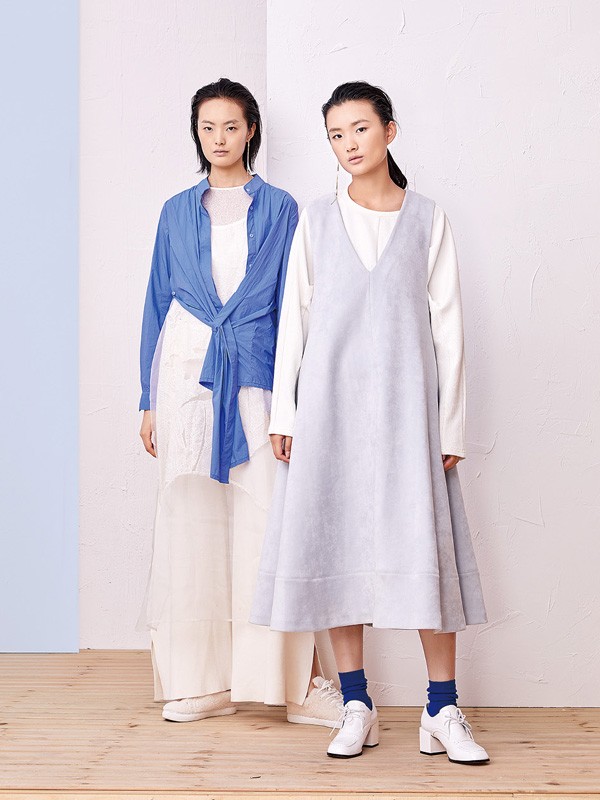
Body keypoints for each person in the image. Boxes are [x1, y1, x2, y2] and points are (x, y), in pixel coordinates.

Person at [250, 81, 490, 763]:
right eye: (336, 134)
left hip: (409, 413)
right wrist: (286, 412)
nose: (348, 144)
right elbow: (295, 319)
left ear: (389, 130)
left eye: (359, 128)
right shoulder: (317, 221)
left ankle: (441, 709)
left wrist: (450, 428)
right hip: (328, 411)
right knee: (335, 548)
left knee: (423, 552)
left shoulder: (428, 220)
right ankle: (357, 703)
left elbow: (450, 329)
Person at [137, 77, 343, 727]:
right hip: (185, 377)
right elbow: (156, 303)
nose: (219, 138)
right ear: (196, 133)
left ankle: (293, 685)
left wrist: (295, 402)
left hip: (256, 372)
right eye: (208, 128)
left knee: (268, 522)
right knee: (191, 524)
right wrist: (147, 398)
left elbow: (295, 307)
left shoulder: (280, 207)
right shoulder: (175, 211)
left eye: (231, 126)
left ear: (251, 129)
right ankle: (200, 681)